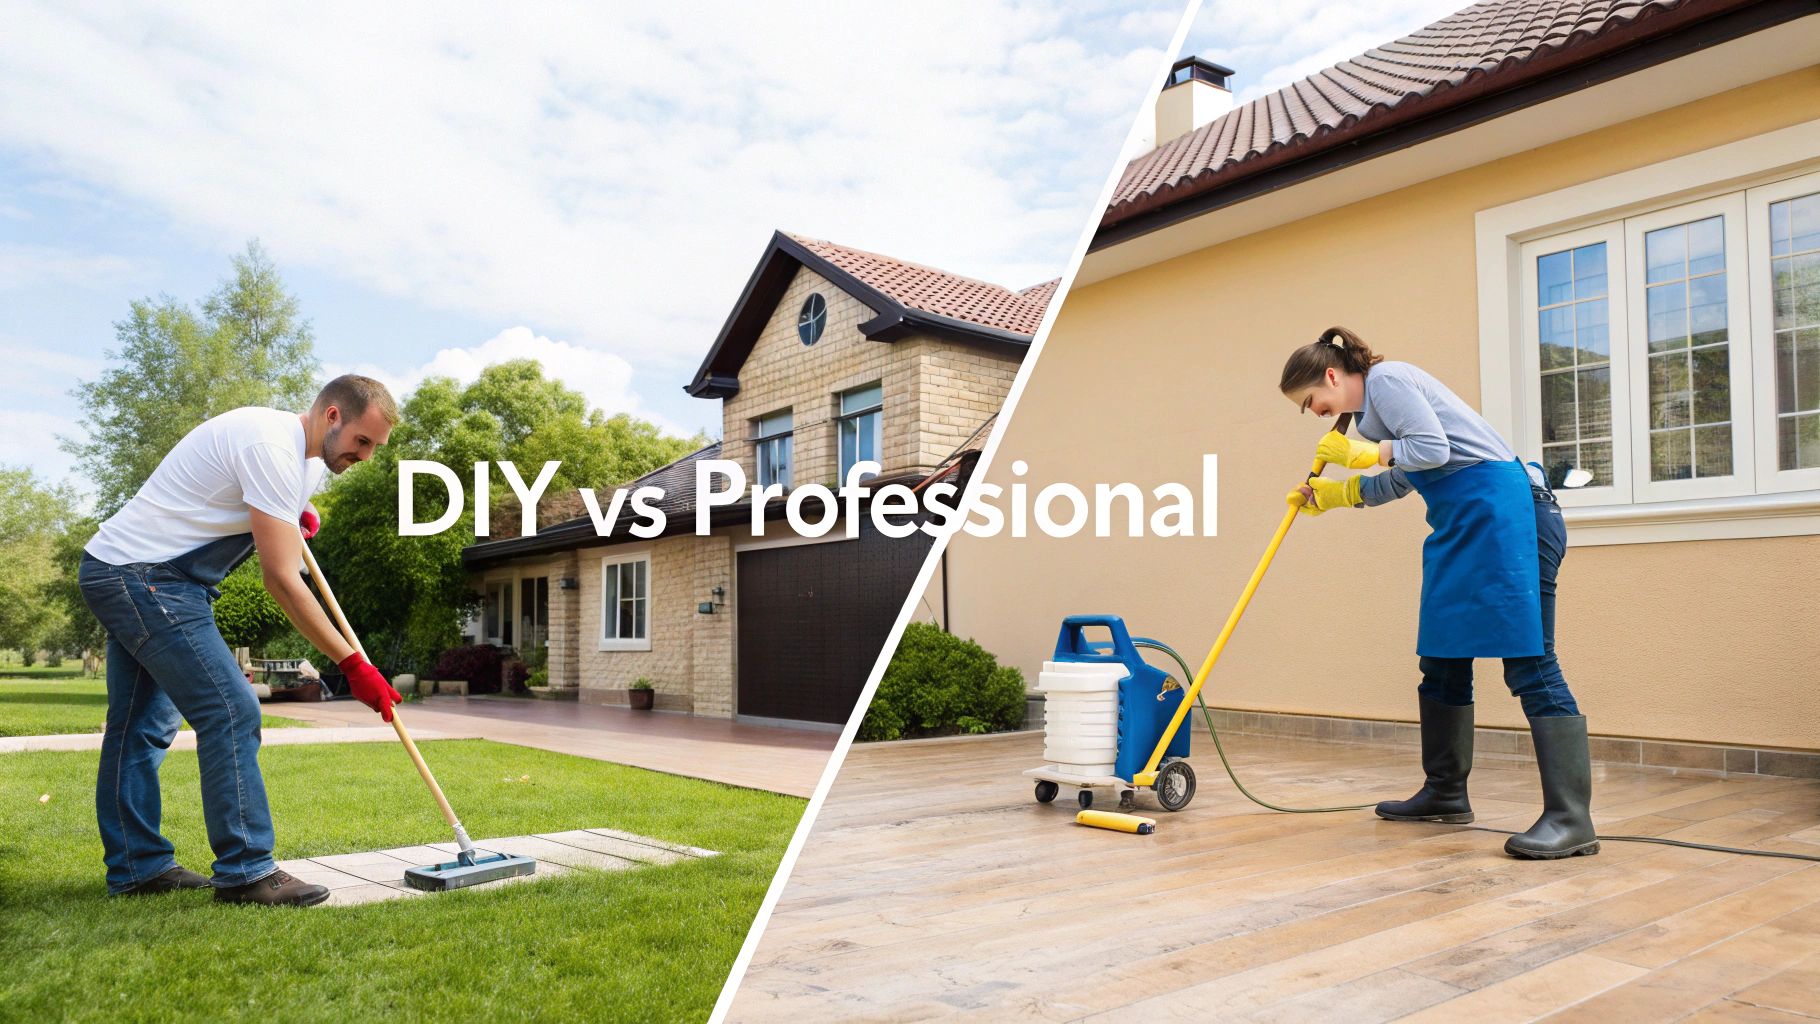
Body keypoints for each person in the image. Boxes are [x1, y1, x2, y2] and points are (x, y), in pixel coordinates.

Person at [79, 375, 407, 905]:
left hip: (146, 575)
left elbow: (253, 514)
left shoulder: (303, 464)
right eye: (362, 441)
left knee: (141, 724)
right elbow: (281, 579)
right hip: (142, 576)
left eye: (374, 447)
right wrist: (351, 664)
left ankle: (138, 868)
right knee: (231, 709)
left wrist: (297, 514)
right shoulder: (269, 445)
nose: (365, 455)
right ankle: (247, 871)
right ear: (332, 416)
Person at [1280, 327, 1596, 860]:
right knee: (1443, 661)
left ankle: (1571, 818)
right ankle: (1445, 794)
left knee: (1530, 663)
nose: (1314, 412)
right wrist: (1338, 495)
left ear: (1331, 375)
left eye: (1311, 401)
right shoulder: (1372, 414)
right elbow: (1408, 476)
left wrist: (1362, 455)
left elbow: (1431, 449)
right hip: (1464, 522)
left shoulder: (1388, 380)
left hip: (1509, 516)